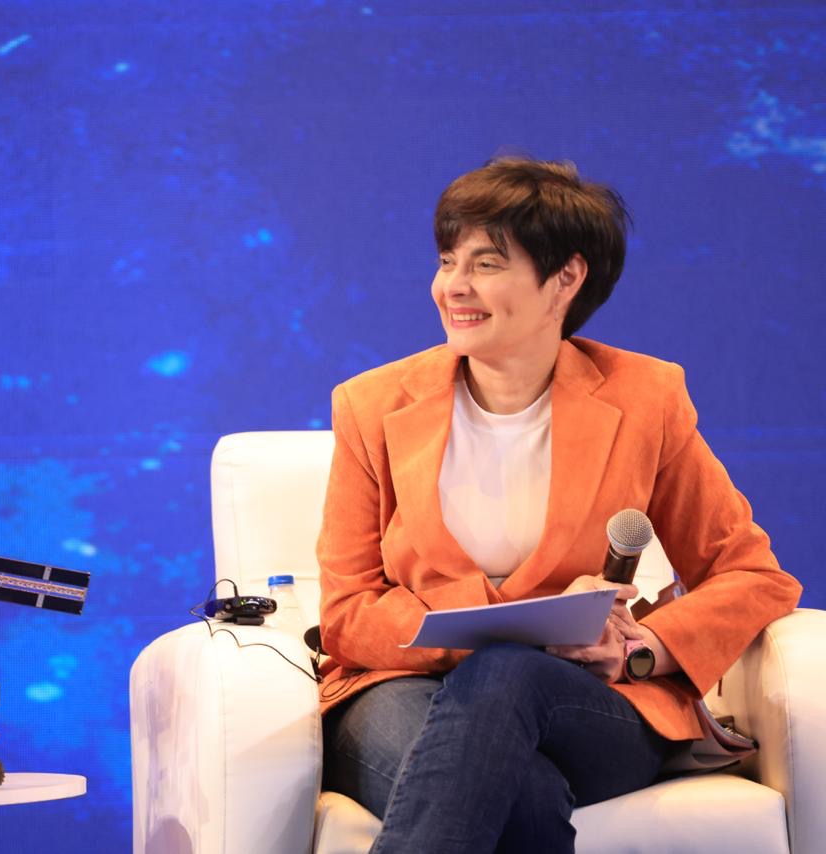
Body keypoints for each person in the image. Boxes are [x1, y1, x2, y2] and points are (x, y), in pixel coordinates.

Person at [315, 156, 801, 853]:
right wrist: (519, 627)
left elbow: (751, 575)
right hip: (400, 689)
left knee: (507, 673)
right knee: (525, 796)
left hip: (585, 704)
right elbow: (347, 613)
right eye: (448, 261)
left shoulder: (645, 399)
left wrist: (638, 650)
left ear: (566, 279)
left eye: (486, 264)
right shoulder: (371, 406)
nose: (453, 286)